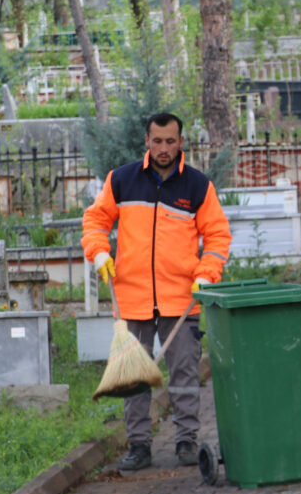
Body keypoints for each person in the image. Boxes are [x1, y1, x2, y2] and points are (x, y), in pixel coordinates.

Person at [82, 112, 232, 469]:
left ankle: (185, 442)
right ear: (146, 141)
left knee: (183, 372)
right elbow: (95, 220)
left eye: (171, 141)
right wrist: (100, 252)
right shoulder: (122, 180)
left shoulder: (198, 186)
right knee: (133, 377)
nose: (164, 148)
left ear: (181, 142)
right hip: (131, 297)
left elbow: (217, 235)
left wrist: (207, 274)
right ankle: (138, 445)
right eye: (158, 141)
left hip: (182, 298)